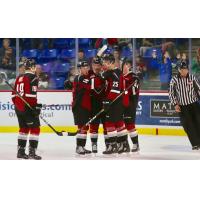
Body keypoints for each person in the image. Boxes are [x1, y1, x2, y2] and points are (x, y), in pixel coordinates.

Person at [12, 59, 42, 159]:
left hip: (18, 108)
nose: (36, 68)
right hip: (28, 108)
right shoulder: (33, 77)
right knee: (35, 128)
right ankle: (32, 152)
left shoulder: (19, 77)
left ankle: (20, 151)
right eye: (35, 66)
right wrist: (35, 108)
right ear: (32, 67)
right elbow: (31, 95)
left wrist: (18, 105)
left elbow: (13, 96)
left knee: (23, 129)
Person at [100, 54, 129, 154]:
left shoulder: (115, 73)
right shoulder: (110, 72)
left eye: (106, 62)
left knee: (109, 123)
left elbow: (115, 90)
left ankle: (113, 146)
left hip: (115, 102)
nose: (104, 63)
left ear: (111, 62)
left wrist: (107, 100)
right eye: (104, 61)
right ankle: (124, 145)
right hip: (116, 102)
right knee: (119, 123)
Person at [169, 61, 200, 150]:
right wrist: (175, 104)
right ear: (179, 70)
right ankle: (195, 144)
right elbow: (171, 93)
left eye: (185, 69)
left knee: (198, 122)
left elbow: (198, 90)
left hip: (194, 105)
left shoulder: (192, 77)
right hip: (183, 107)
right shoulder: (174, 80)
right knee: (187, 125)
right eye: (182, 69)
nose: (184, 71)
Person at [72, 61, 92, 155]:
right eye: (84, 67)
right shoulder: (80, 78)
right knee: (81, 127)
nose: (86, 69)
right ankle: (79, 147)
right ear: (80, 69)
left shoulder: (85, 77)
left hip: (85, 106)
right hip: (79, 106)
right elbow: (90, 87)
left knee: (85, 127)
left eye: (87, 67)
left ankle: (82, 146)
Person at [88, 57, 107, 153]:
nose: (97, 67)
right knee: (94, 126)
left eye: (98, 65)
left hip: (105, 104)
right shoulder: (88, 75)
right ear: (92, 65)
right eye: (95, 65)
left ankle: (108, 145)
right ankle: (94, 144)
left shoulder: (105, 75)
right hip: (93, 105)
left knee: (106, 126)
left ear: (101, 65)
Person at [122, 59, 140, 152]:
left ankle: (136, 144)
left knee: (130, 125)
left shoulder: (133, 76)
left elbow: (134, 91)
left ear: (128, 66)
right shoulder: (120, 76)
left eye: (125, 65)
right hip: (121, 105)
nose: (124, 67)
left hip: (130, 104)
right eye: (123, 65)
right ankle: (125, 145)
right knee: (121, 126)